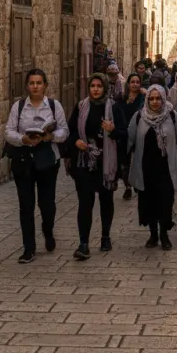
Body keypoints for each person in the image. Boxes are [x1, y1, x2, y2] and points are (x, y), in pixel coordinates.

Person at [5, 69, 69, 263]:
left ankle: (48, 231)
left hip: (47, 160)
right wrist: (23, 138)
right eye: (32, 83)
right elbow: (8, 131)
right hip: (24, 160)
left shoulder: (53, 105)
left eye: (39, 83)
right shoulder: (19, 106)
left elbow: (64, 131)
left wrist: (50, 136)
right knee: (26, 205)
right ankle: (29, 248)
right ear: (27, 86)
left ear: (45, 85)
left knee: (47, 204)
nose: (35, 86)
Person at [66, 73, 127, 259]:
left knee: (106, 200)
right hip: (85, 162)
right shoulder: (81, 106)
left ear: (105, 87)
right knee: (85, 202)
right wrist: (76, 141)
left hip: (106, 163)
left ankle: (105, 236)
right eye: (92, 85)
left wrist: (113, 130)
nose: (95, 89)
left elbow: (124, 135)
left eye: (99, 86)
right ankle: (83, 243)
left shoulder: (114, 108)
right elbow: (72, 130)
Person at [128, 85, 177, 250]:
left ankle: (164, 234)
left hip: (166, 169)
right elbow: (129, 141)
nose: (155, 102)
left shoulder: (172, 116)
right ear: (147, 100)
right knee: (149, 203)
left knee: (165, 202)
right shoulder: (139, 117)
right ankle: (153, 234)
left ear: (163, 98)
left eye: (158, 98)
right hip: (145, 169)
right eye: (152, 98)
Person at [115, 72, 145, 201]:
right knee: (124, 162)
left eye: (137, 82)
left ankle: (137, 183)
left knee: (138, 160)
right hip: (123, 133)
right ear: (128, 84)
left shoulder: (143, 98)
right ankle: (128, 186)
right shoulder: (121, 97)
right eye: (132, 82)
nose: (135, 84)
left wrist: (146, 92)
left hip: (139, 133)